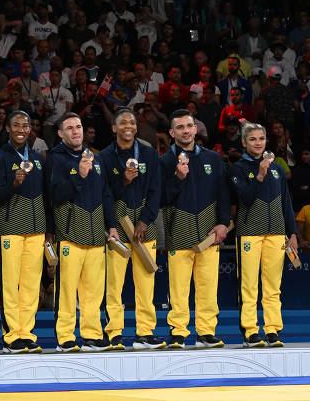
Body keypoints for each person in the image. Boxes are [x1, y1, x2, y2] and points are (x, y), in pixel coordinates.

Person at [45, 112, 119, 352]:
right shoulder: (56, 159)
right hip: (70, 234)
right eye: (69, 128)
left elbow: (106, 194)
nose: (75, 131)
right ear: (60, 133)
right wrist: (80, 174)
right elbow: (56, 195)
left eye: (78, 127)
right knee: (66, 290)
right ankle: (65, 336)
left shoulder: (95, 158)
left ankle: (92, 335)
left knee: (94, 291)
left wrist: (112, 225)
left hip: (97, 235)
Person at [160, 109, 231, 349]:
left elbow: (223, 194)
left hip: (209, 233)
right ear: (172, 133)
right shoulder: (165, 161)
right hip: (178, 232)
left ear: (196, 128)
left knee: (208, 286)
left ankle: (206, 332)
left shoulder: (212, 159)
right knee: (178, 288)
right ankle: (178, 332)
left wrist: (223, 222)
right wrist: (177, 177)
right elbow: (161, 198)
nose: (186, 131)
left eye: (189, 126)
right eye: (179, 127)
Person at [98, 108, 165, 350]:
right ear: (114, 128)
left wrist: (145, 221)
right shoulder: (104, 157)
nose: (129, 125)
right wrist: (111, 225)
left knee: (146, 282)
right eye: (123, 122)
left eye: (133, 122)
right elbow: (105, 194)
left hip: (144, 228)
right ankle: (114, 333)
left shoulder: (149, 153)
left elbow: (157, 191)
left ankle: (144, 333)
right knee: (114, 284)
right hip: (117, 227)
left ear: (137, 128)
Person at [230, 121, 298, 348]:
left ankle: (272, 330)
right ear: (244, 142)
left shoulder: (278, 168)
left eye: (261, 138)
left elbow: (286, 203)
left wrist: (293, 233)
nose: (257, 143)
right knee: (248, 285)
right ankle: (250, 331)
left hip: (277, 234)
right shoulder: (238, 168)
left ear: (266, 140)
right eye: (252, 139)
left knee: (272, 286)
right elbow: (246, 200)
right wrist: (259, 175)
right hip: (249, 233)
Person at [0, 110, 49, 353]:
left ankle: (27, 333)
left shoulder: (36, 158)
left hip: (35, 231)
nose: (21, 129)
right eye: (16, 125)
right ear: (8, 129)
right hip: (10, 229)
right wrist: (14, 183)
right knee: (9, 285)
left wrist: (48, 231)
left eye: (25, 125)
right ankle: (11, 335)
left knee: (31, 286)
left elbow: (45, 197)